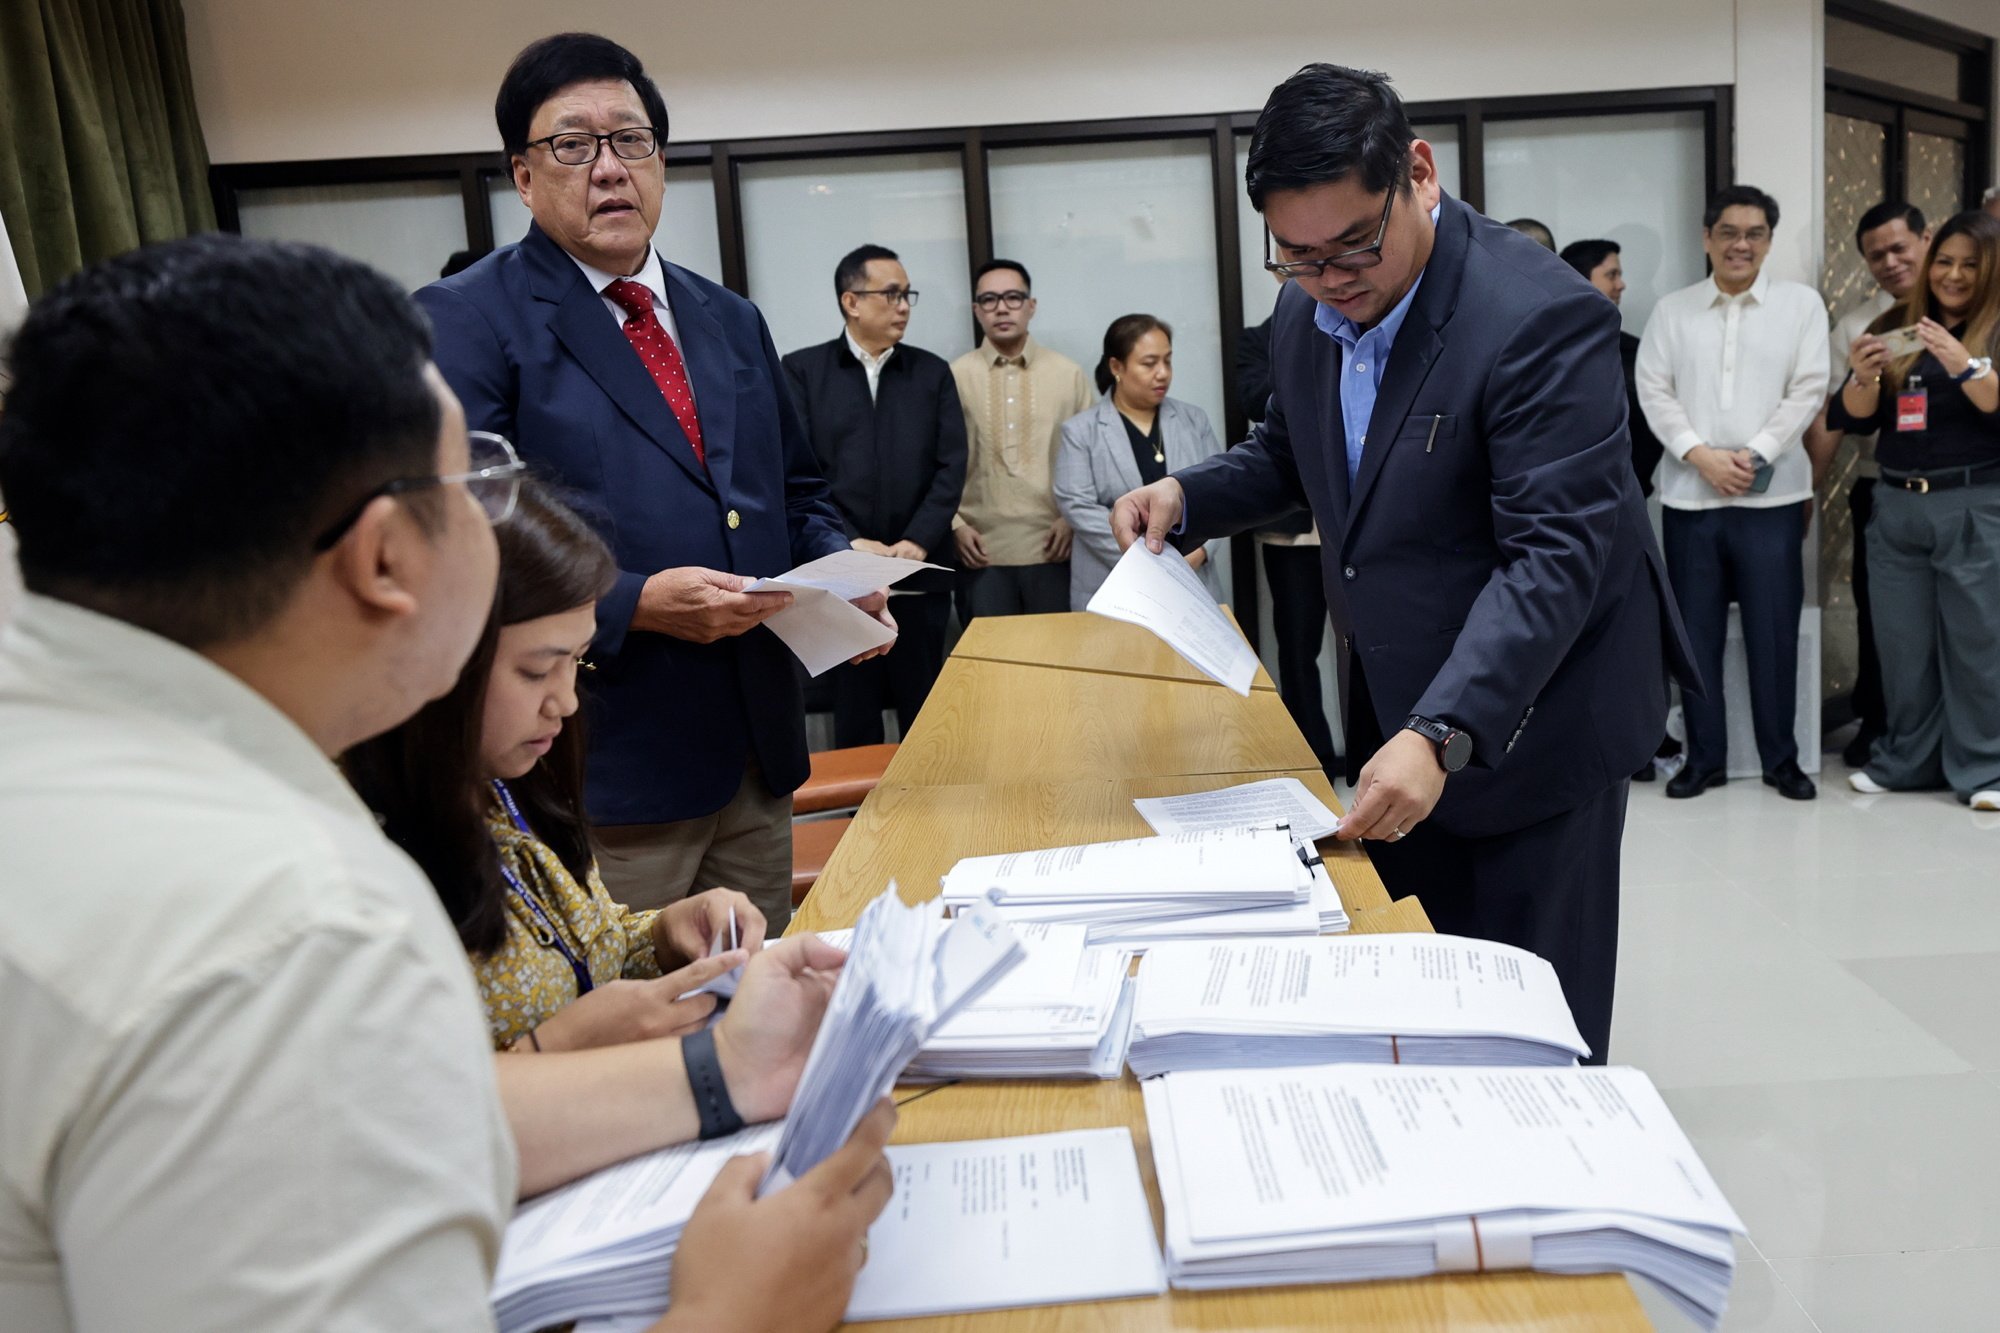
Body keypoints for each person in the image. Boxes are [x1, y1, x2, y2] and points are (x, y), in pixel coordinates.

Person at [0, 233, 893, 1333]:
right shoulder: (292, 926)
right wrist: (737, 1309)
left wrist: (722, 1069)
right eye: (474, 478)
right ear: (384, 559)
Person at [1113, 64, 1695, 1066]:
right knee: (1424, 990)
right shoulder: (1308, 309)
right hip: (1401, 700)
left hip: (1533, 719)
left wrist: (1439, 728)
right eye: (1296, 258)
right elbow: (1297, 457)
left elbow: (1553, 556)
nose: (1332, 281)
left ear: (1416, 173)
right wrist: (1187, 496)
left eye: (1352, 247)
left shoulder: (1535, 318)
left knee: (1525, 1025)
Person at [418, 33, 889, 929]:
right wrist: (632, 603)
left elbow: (798, 492)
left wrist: (841, 576)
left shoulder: (729, 317)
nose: (607, 169)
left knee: (754, 991)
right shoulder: (468, 319)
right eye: (572, 145)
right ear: (523, 176)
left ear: (661, 162)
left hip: (756, 743)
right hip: (601, 755)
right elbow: (460, 541)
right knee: (632, 1016)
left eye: (630, 141)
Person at [347, 479, 769, 1051]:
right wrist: (551, 1049)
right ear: (442, 660)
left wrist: (668, 933)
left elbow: (592, 946)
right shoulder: (363, 861)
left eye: (577, 661)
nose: (566, 702)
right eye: (535, 670)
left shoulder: (511, 781)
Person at [1636, 185, 1830, 802]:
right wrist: (1700, 454)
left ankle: (1782, 760)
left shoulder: (1801, 306)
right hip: (1691, 501)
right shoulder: (1673, 309)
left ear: (1768, 241)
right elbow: (1654, 390)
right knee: (1695, 639)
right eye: (1728, 232)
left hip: (1771, 502)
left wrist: (1755, 455)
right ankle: (1705, 758)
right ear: (1707, 238)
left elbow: (1809, 389)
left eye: (1754, 233)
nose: (1740, 244)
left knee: (1775, 635)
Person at [1828, 209, 2000, 811]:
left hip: (1975, 503)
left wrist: (1963, 363)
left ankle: (1986, 771)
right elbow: (1853, 416)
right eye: (1945, 262)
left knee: (1979, 644)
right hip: (1897, 504)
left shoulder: (1993, 329)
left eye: (1969, 264)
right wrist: (1863, 375)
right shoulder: (1897, 325)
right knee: (1903, 648)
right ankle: (1906, 762)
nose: (1952, 275)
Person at [783, 245, 968, 745]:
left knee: (925, 709)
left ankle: (931, 818)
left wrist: (918, 540)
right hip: (842, 572)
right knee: (855, 711)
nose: (903, 305)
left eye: (907, 295)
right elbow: (797, 471)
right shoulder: (802, 371)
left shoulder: (931, 373)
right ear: (851, 301)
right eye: (891, 294)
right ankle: (859, 819)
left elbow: (952, 466)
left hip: (919, 568)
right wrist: (847, 542)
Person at [1804, 201, 1930, 767]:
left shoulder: (1970, 308)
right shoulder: (1858, 325)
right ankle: (1879, 724)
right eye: (1876, 254)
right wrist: (1809, 487)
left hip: (1973, 487)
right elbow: (1834, 415)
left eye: (1900, 247)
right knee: (1880, 615)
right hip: (1884, 485)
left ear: (1925, 241)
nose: (1890, 261)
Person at [948, 259, 1095, 622]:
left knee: (1056, 668)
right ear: (976, 310)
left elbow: (1093, 460)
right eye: (989, 299)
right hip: (979, 550)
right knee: (990, 670)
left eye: (1013, 297)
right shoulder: (953, 376)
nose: (1001, 307)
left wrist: (1071, 520)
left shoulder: (1068, 374)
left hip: (1054, 548)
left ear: (1031, 306)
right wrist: (954, 526)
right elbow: (932, 464)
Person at [1056, 314, 1226, 609]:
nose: (1162, 373)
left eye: (1168, 361)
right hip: (1114, 582)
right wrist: (1149, 558)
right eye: (1149, 363)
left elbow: (1221, 492)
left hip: (1192, 577)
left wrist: (1198, 552)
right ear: (1116, 367)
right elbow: (1077, 506)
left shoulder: (1192, 420)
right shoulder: (1081, 431)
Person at [1241, 274, 1339, 774]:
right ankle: (1313, 757)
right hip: (1292, 528)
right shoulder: (1259, 340)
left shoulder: (1357, 324)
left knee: (1367, 645)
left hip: (1352, 520)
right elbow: (1259, 401)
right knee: (1298, 646)